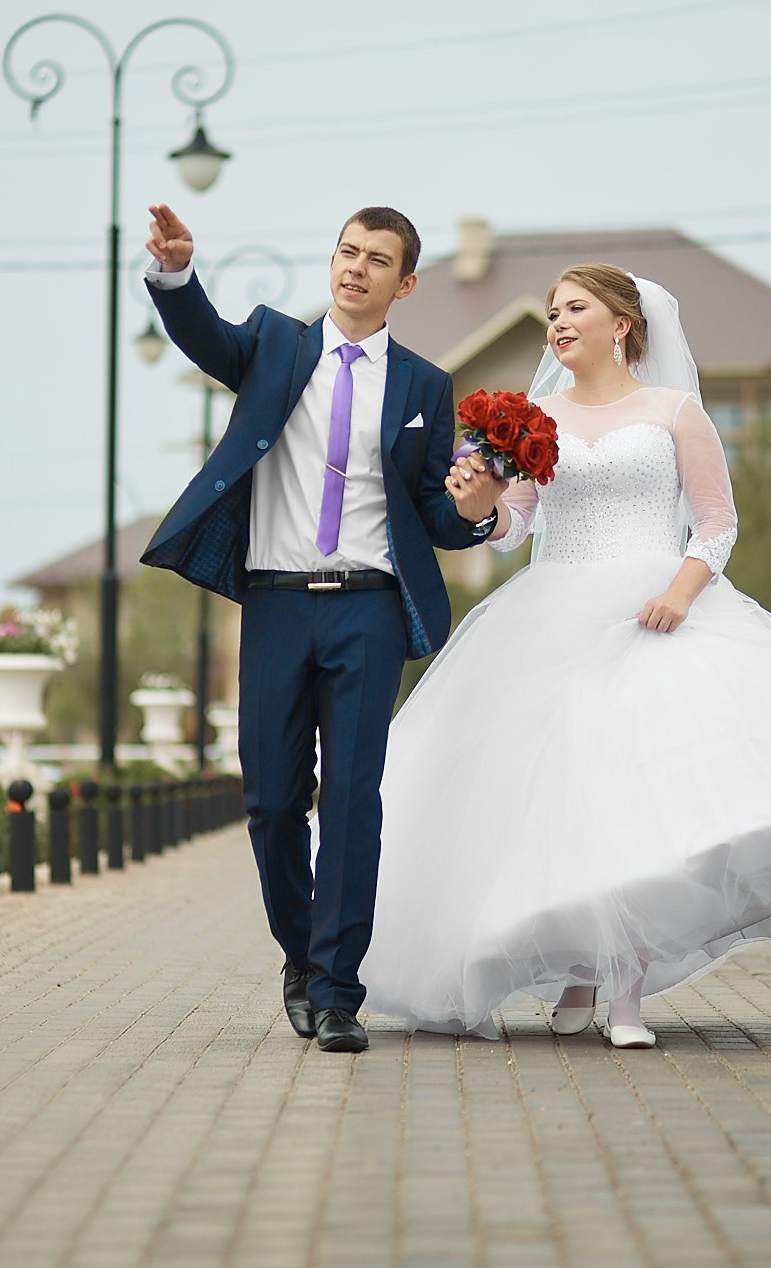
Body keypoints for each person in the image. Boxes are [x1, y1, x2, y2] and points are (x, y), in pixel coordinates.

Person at [360, 265, 771, 1046]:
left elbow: (717, 524)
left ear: (621, 322)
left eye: (575, 309)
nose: (557, 323)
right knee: (567, 801)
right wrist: (478, 507)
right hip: (551, 614)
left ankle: (624, 993)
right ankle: (577, 972)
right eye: (552, 311)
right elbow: (515, 526)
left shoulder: (674, 412)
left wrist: (681, 593)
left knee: (639, 801)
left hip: (654, 610)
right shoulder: (530, 417)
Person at [140, 203, 503, 1053]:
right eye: (347, 252)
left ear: (405, 282)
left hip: (369, 608)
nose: (357, 268)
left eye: (378, 260)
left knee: (350, 800)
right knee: (271, 798)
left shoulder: (422, 385)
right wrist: (176, 274)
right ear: (331, 260)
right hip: (275, 600)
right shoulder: (273, 344)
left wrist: (476, 515)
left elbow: (433, 517)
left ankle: (339, 991)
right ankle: (301, 956)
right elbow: (204, 337)